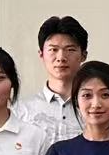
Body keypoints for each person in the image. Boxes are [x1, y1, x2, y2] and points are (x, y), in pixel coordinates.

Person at [17, 16, 87, 145]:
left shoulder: (97, 109)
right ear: (41, 54)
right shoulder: (22, 111)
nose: (61, 57)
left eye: (70, 50)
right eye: (53, 49)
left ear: (83, 55)